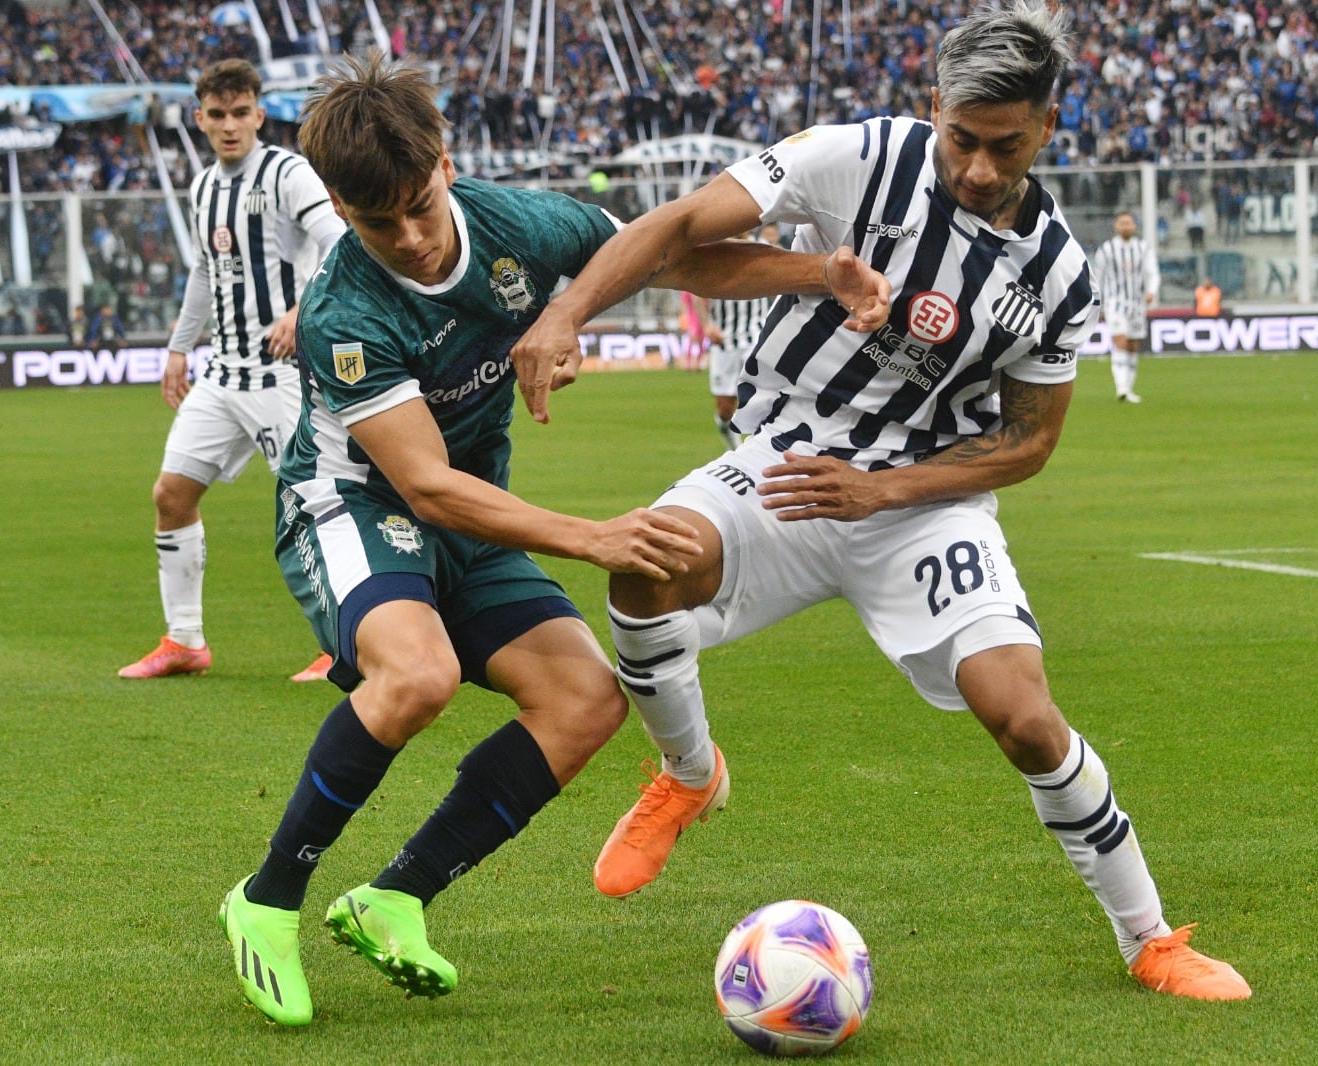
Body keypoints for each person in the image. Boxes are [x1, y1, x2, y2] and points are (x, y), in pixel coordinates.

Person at [513, 0, 1250, 1003]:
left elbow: (1027, 442)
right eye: (960, 139)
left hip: (920, 505)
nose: (979, 168)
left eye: (1005, 146)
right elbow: (680, 237)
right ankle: (688, 772)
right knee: (649, 557)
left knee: (1023, 716)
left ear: (1046, 126)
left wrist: (884, 491)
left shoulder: (1057, 279)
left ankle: (1150, 937)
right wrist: (569, 316)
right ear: (931, 106)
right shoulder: (853, 156)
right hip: (786, 461)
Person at [216, 51, 889, 1028]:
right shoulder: (342, 308)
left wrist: (818, 273)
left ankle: (395, 897)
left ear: (444, 160)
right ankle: (267, 898)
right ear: (336, 205)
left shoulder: (520, 224)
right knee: (416, 675)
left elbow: (666, 256)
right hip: (355, 507)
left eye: (417, 204)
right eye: (375, 222)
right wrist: (592, 536)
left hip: (471, 511)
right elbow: (425, 484)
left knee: (583, 699)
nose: (405, 236)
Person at [118, 59, 344, 682]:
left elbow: (337, 240)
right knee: (171, 494)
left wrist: (302, 311)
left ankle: (342, 645)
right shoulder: (202, 187)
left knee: (315, 502)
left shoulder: (287, 172)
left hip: (283, 372)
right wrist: (178, 347)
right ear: (199, 118)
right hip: (223, 374)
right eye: (216, 114)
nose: (228, 125)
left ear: (258, 114)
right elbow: (203, 271)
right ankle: (185, 641)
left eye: (240, 112)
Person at [695, 222, 782, 448]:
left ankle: (760, 449)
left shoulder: (762, 248)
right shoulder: (713, 251)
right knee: (725, 407)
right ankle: (734, 446)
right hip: (724, 340)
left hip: (756, 335)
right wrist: (707, 326)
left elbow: (778, 286)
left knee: (761, 396)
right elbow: (696, 291)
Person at [1092, 211, 1159, 403]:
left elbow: (1152, 272)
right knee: (1120, 341)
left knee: (1133, 345)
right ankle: (1121, 387)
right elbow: (1099, 277)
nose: (1125, 226)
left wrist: (1151, 291)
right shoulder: (1106, 249)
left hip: (1137, 304)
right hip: (1115, 303)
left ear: (1134, 226)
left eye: (1128, 223)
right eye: (1122, 223)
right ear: (1116, 226)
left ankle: (1128, 388)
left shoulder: (1143, 248)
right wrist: (1099, 303)